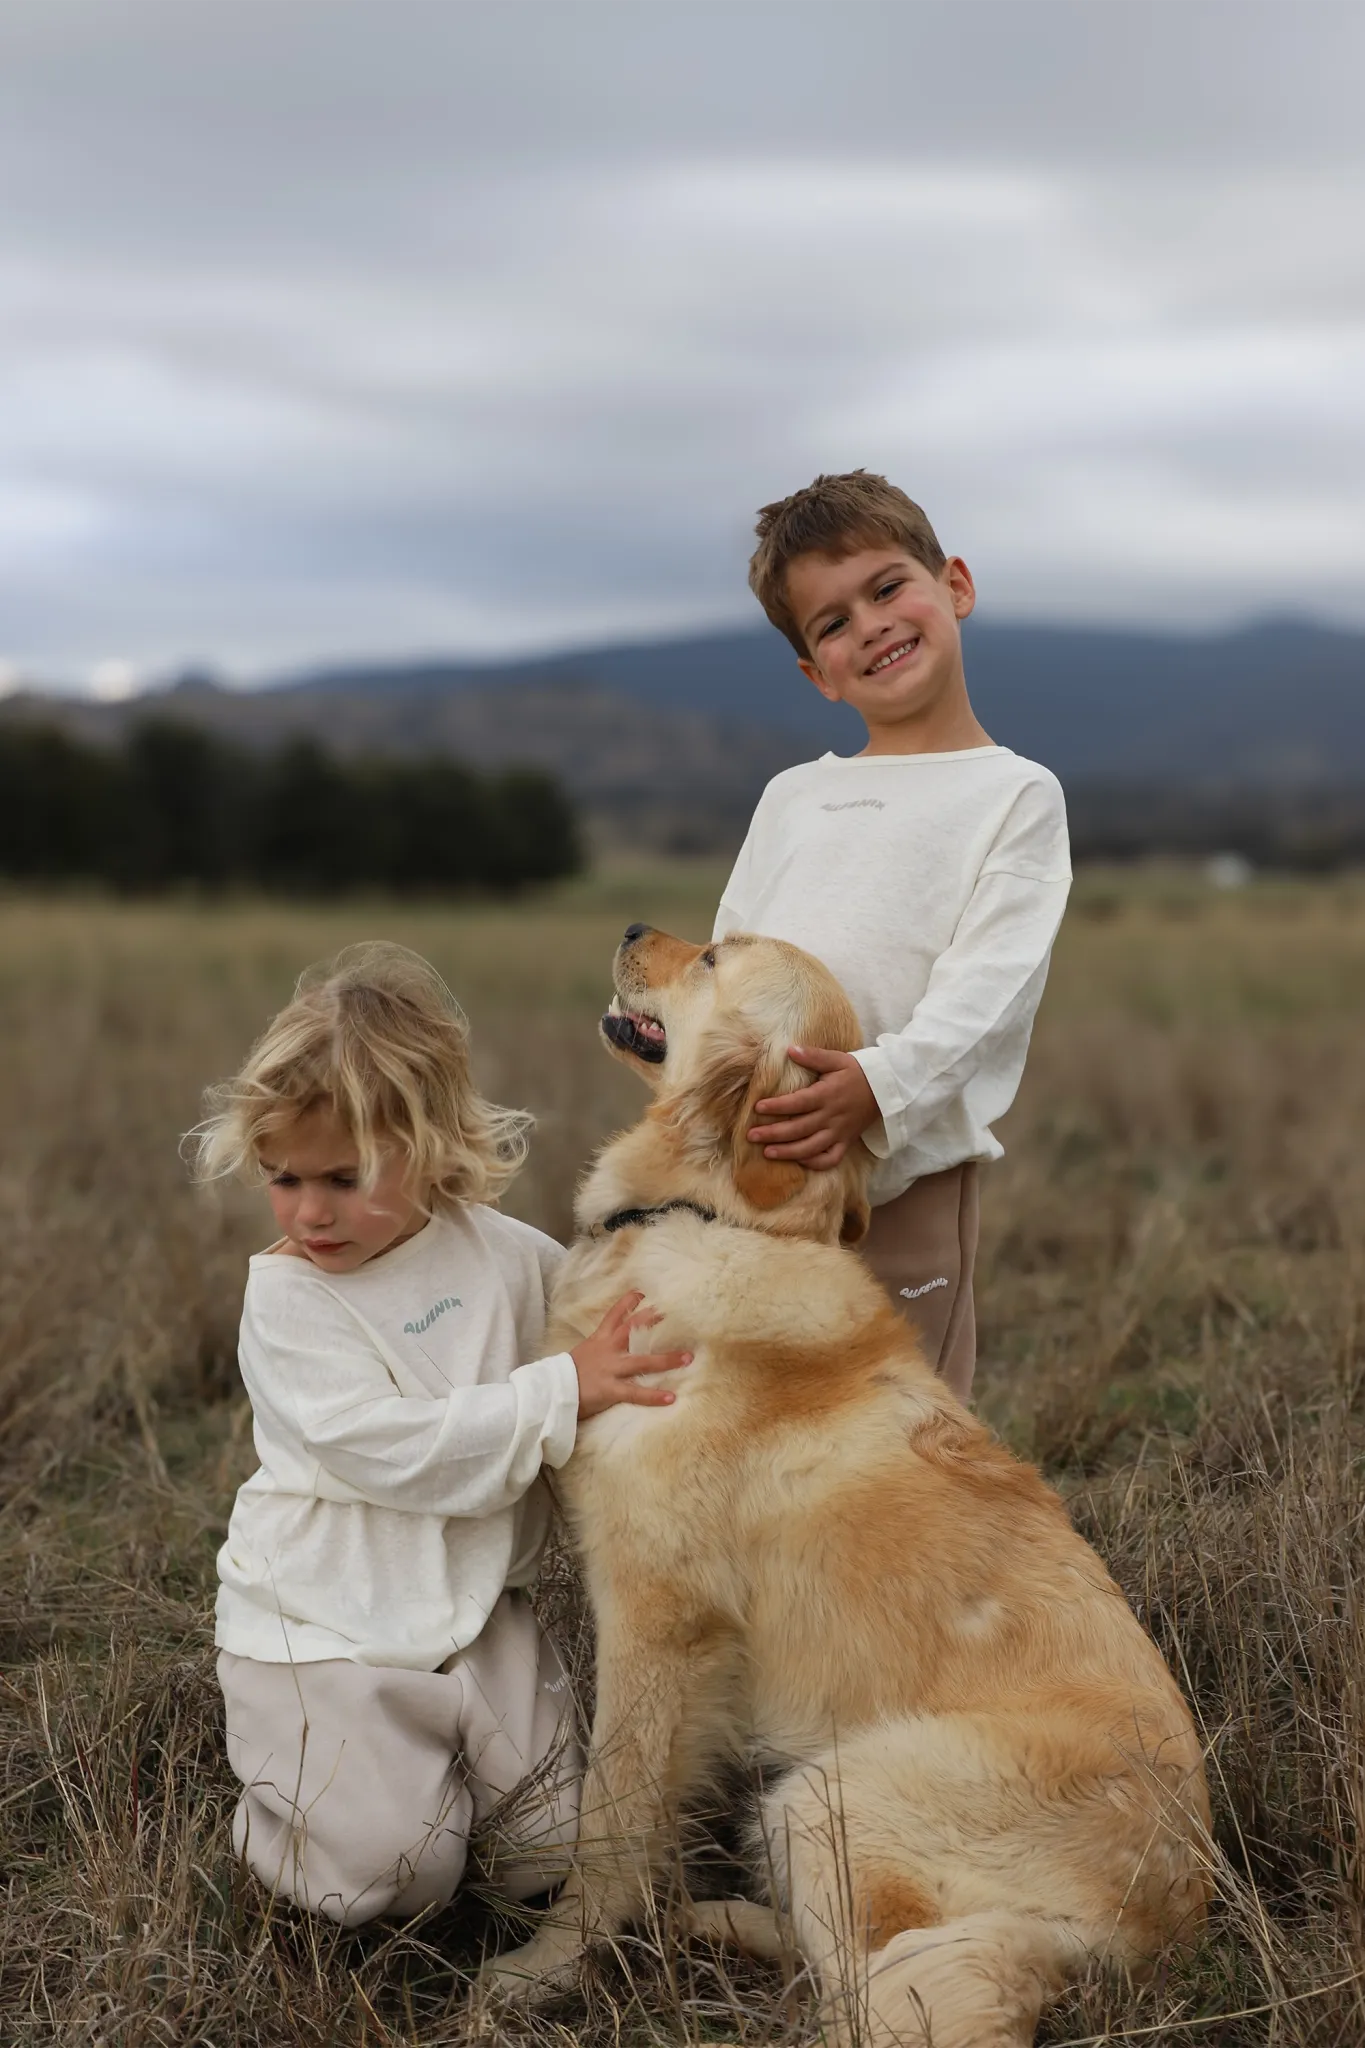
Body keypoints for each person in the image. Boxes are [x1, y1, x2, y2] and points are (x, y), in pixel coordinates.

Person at [190, 943, 689, 1927]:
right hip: (327, 1628)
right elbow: (396, 1450)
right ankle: (283, 1814)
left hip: (474, 1615)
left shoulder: (503, 1254)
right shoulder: (289, 1299)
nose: (309, 1211)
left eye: (343, 1176)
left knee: (551, 1851)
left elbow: (600, 1329)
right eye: (283, 1177)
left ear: (427, 1144)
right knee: (388, 1873)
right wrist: (562, 1390)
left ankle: (443, 1792)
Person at [714, 471, 1071, 1403]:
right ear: (815, 674)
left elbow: (988, 988)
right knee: (755, 1403)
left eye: (885, 588)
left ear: (953, 584)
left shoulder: (1013, 794)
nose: (867, 625)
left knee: (899, 1423)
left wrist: (876, 1086)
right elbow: (732, 957)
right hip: (759, 1165)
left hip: (901, 1175)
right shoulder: (792, 796)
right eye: (830, 624)